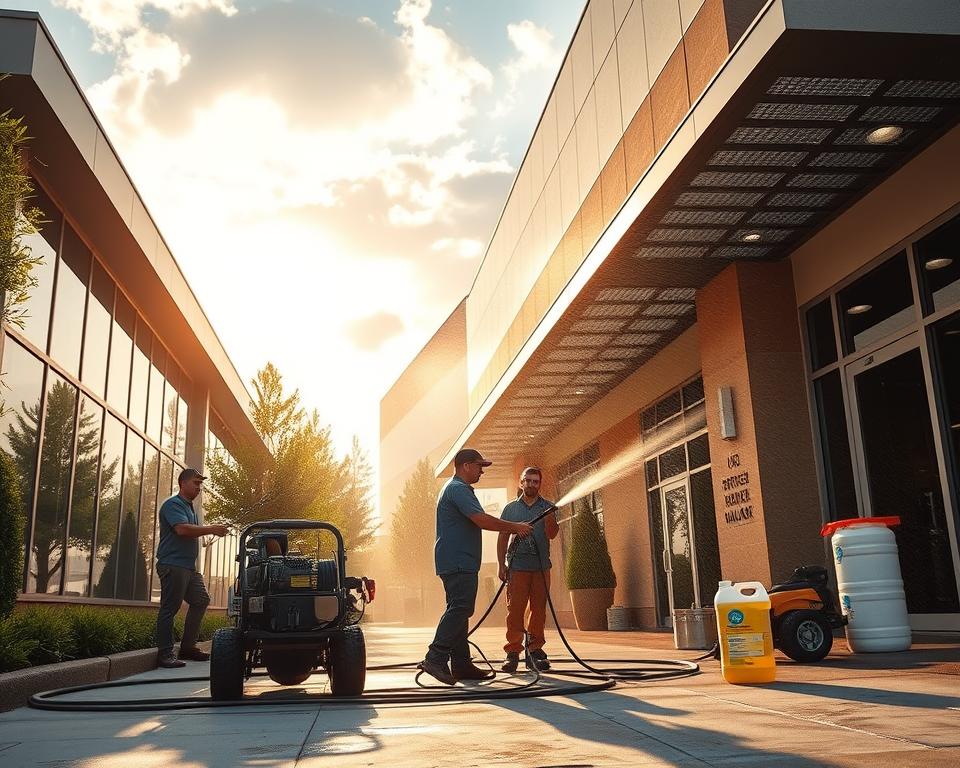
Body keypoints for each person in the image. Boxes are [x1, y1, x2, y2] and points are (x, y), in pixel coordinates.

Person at [420, 448, 534, 685]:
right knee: (461, 608)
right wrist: (515, 527)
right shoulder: (458, 490)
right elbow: (481, 519)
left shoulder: (454, 489)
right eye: (479, 466)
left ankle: (461, 664)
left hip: (457, 560)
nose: (482, 471)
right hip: (459, 560)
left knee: (460, 610)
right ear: (465, 466)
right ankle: (435, 657)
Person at [155, 468, 229, 668]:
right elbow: (182, 529)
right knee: (170, 608)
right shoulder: (173, 505)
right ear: (183, 483)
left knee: (201, 599)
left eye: (200, 484)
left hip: (188, 567)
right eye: (196, 483)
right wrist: (212, 528)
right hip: (172, 564)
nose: (199, 488)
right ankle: (165, 654)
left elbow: (191, 531)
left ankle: (187, 648)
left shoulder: (190, 508)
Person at [497, 467, 559, 673]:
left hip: (541, 568)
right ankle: (513, 652)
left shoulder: (547, 507)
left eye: (536, 481)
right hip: (517, 567)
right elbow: (503, 537)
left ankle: (534, 650)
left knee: (538, 609)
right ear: (521, 482)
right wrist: (501, 565)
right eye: (528, 480)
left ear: (540, 484)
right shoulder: (510, 509)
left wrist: (550, 519)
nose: (532, 484)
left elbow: (552, 534)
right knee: (515, 610)